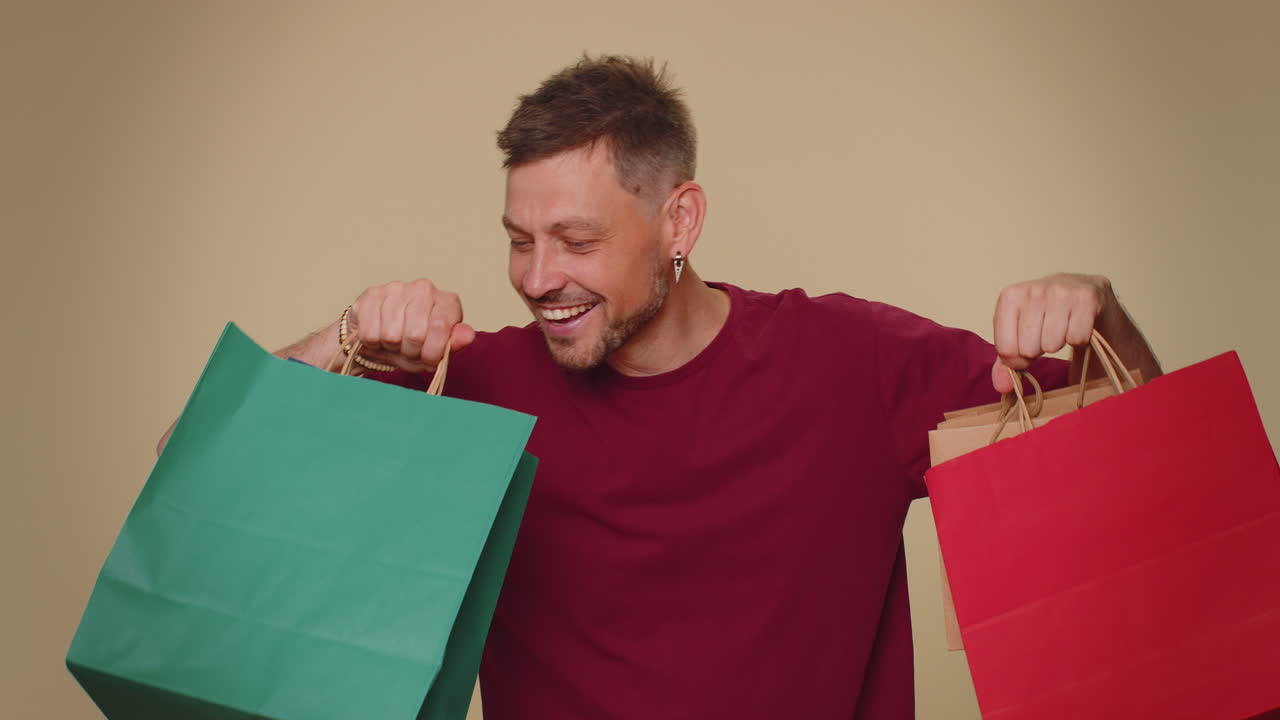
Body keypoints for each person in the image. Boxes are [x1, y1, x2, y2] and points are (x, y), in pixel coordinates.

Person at [163, 55, 1161, 719]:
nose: (535, 275)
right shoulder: (472, 384)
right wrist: (345, 337)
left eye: (576, 240)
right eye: (518, 239)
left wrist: (1095, 310)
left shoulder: (850, 363)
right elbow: (194, 480)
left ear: (677, 223)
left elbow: (1151, 470)